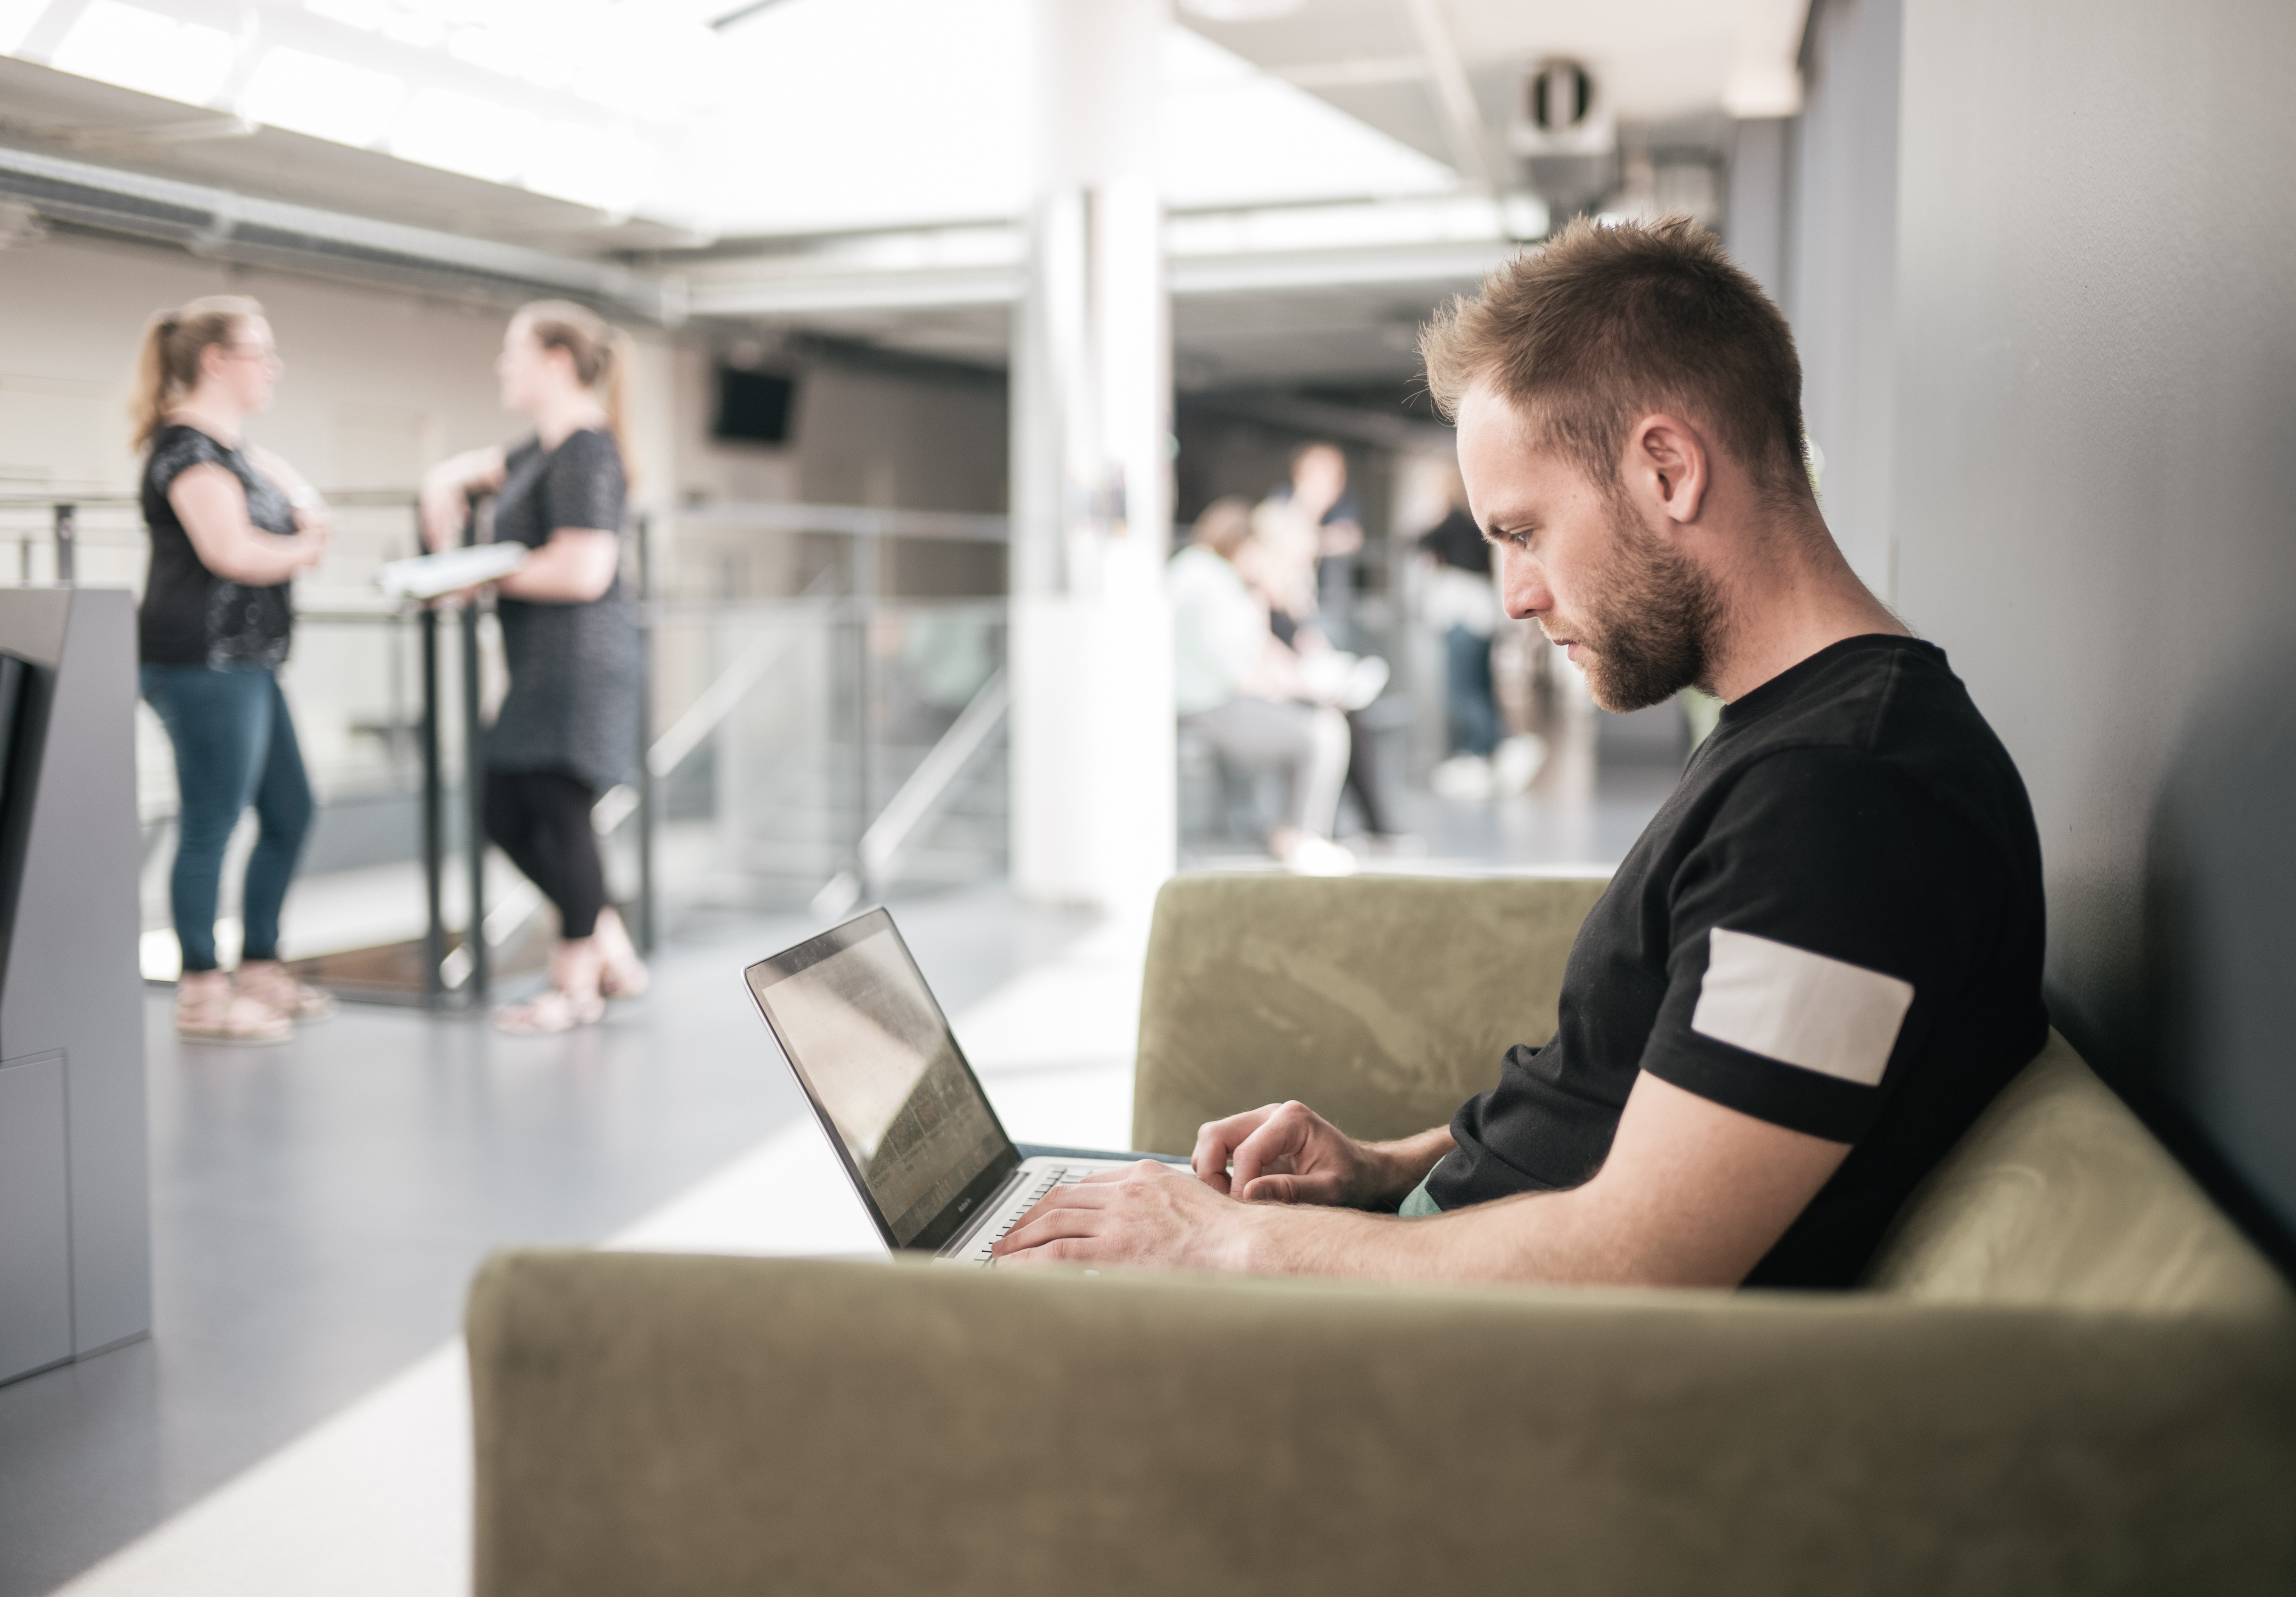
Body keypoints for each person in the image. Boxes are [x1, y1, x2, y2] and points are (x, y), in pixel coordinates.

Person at [995, 216, 2048, 1291]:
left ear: (1667, 470)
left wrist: (1219, 1239)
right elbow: (1614, 1112)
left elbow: (1637, 1260)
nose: (1513, 598)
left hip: (1484, 1371)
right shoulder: (1793, 745)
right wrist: (1376, 1169)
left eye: (1523, 532)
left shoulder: (1846, 808)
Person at [421, 301, 647, 1034]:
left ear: (555, 361)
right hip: (540, 660)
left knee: (558, 810)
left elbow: (584, 569)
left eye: (513, 352)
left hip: (581, 657)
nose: (501, 366)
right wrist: (443, 485)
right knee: (502, 808)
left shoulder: (586, 448)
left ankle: (574, 987)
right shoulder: (541, 448)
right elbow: (468, 474)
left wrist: (479, 577)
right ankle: (606, 940)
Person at [133, 296, 335, 1044]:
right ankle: (203, 991)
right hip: (201, 664)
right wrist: (304, 549)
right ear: (217, 361)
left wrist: (301, 528)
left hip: (249, 663)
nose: (273, 368)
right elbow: (232, 552)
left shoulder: (235, 451)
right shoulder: (185, 450)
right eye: (262, 352)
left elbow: (302, 505)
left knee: (290, 811)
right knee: (211, 822)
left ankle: (259, 965)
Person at [1170, 497, 1355, 876]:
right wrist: (1297, 686)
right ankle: (1303, 839)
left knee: (1316, 725)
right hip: (1208, 706)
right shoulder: (1209, 578)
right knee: (1324, 732)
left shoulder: (1200, 572)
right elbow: (1235, 666)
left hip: (1208, 701)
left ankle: (1294, 836)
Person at [1418, 472, 1545, 801]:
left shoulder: (1452, 521)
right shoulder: (1476, 524)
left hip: (1464, 616)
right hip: (1481, 614)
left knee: (1463, 691)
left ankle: (1485, 752)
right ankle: (1497, 750)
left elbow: (1415, 542)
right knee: (1480, 687)